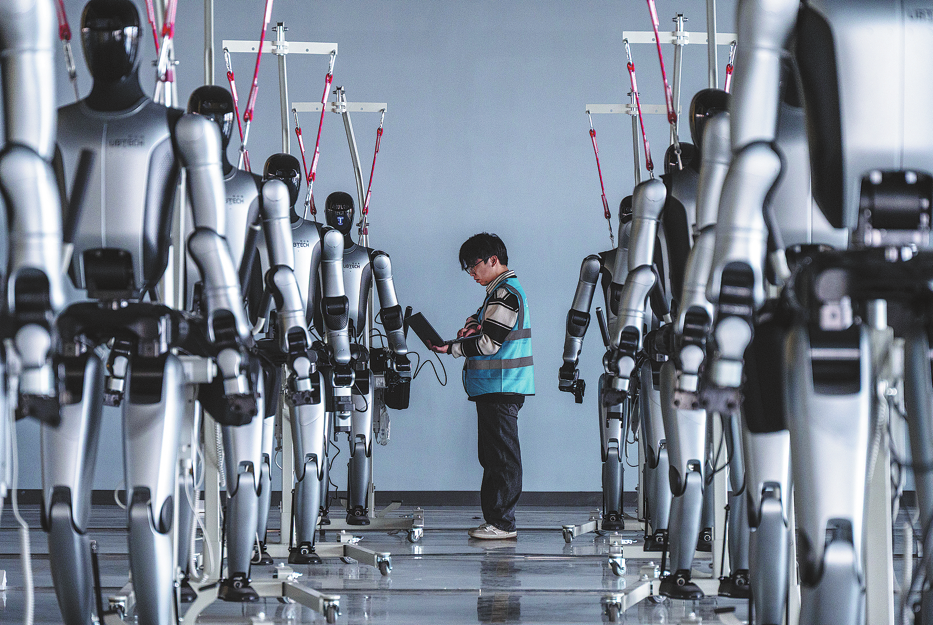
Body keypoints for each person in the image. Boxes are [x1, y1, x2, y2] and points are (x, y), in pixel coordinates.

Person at [431, 233, 533, 539]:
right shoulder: (496, 294)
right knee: (492, 457)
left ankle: (502, 524)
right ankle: (497, 520)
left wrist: (453, 348)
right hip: (493, 387)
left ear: (493, 260)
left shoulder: (505, 294)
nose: (472, 273)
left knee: (502, 458)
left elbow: (488, 344)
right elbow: (482, 325)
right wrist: (472, 325)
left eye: (474, 265)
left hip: (501, 386)